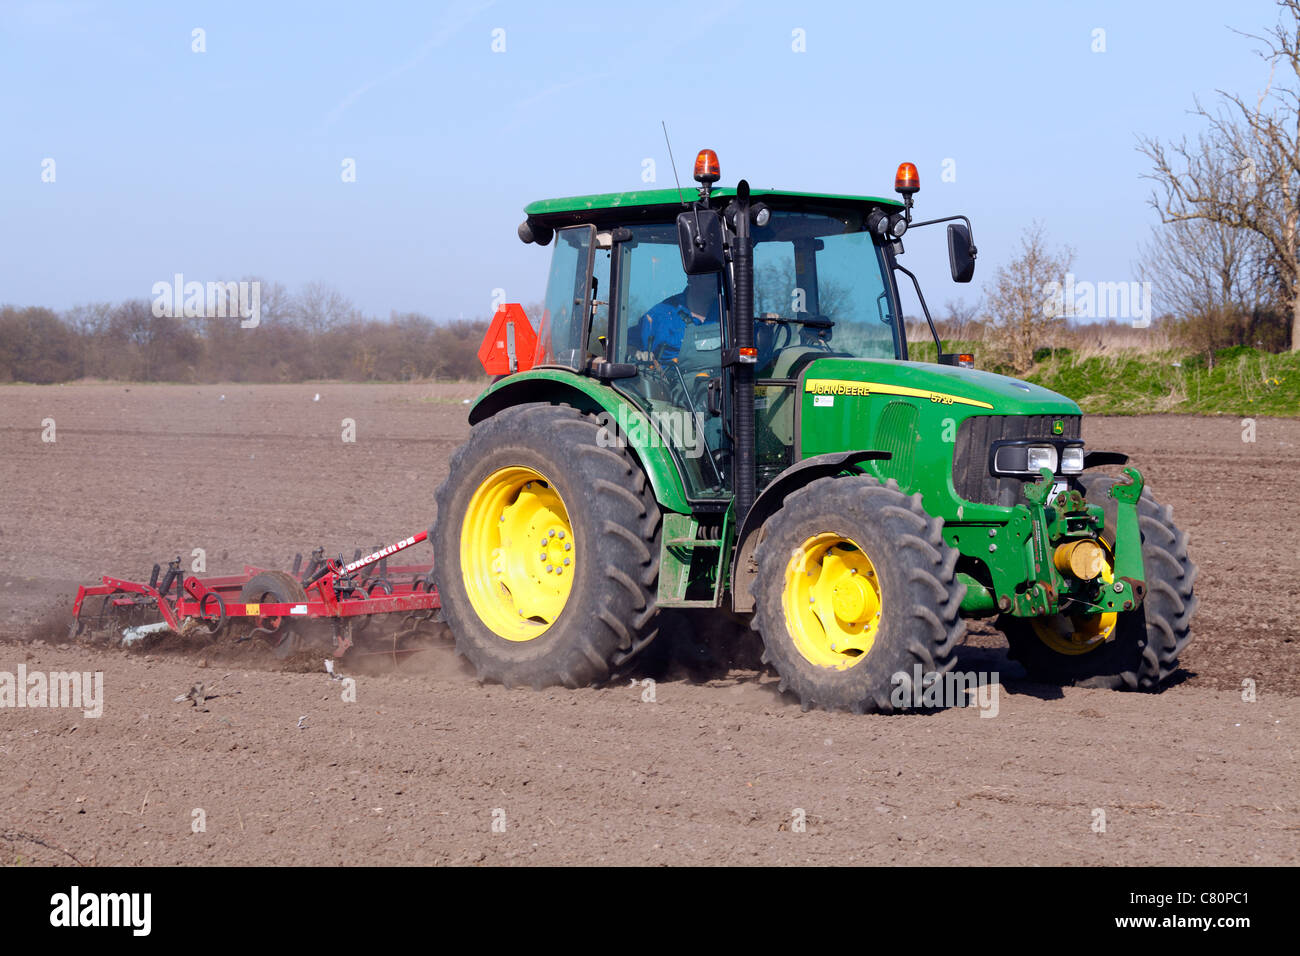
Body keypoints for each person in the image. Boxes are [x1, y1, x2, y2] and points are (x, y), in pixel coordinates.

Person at [636, 274, 721, 364]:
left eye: (721, 276)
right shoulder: (659, 316)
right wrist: (638, 354)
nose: (719, 281)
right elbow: (626, 346)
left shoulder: (730, 312)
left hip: (723, 377)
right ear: (693, 277)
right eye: (713, 277)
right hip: (671, 377)